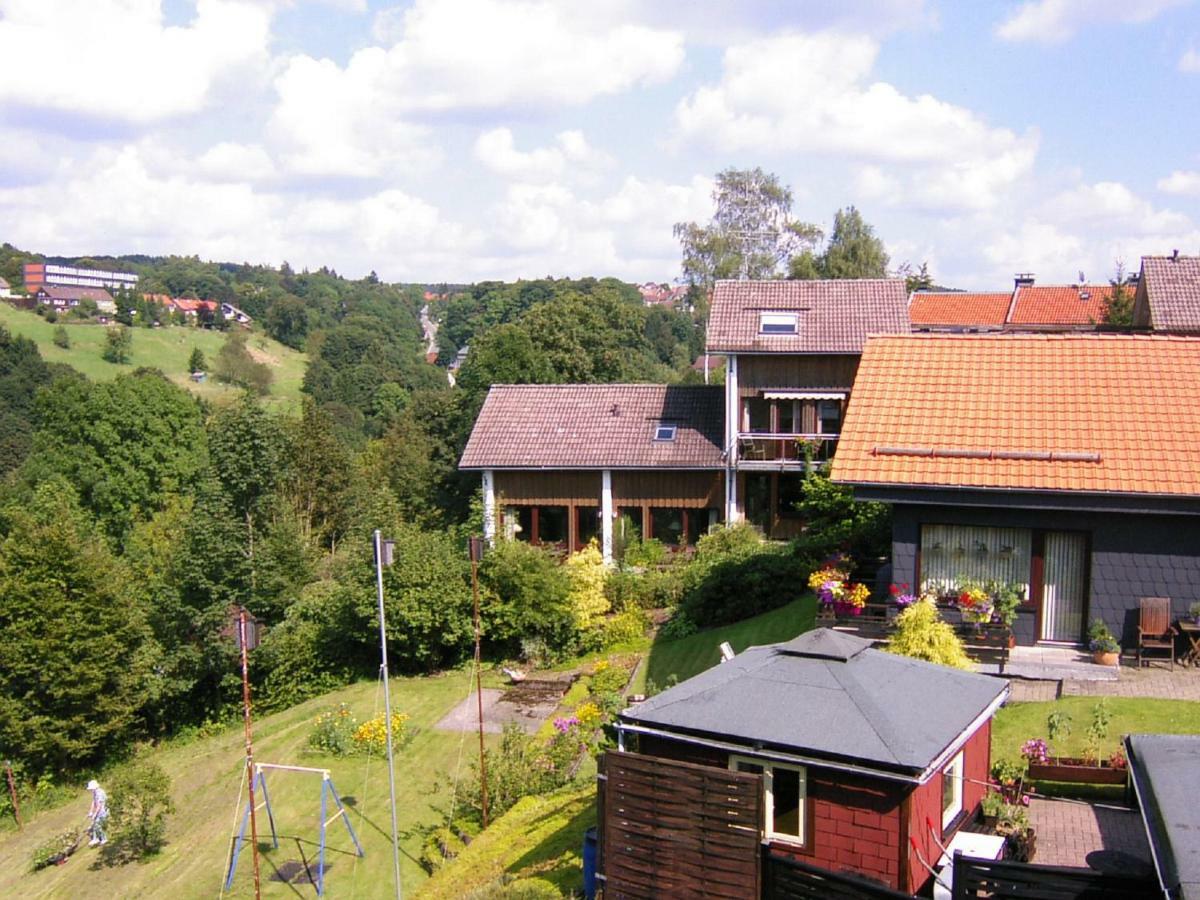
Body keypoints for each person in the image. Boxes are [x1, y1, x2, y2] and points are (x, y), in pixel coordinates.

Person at [86, 779, 108, 846]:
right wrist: (90, 812)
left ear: (95, 787)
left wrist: (95, 814)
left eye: (91, 789)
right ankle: (96, 838)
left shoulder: (100, 793)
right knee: (94, 824)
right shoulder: (94, 793)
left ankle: (104, 839)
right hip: (99, 811)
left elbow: (99, 805)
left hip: (103, 811)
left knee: (98, 825)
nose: (91, 790)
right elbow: (93, 802)